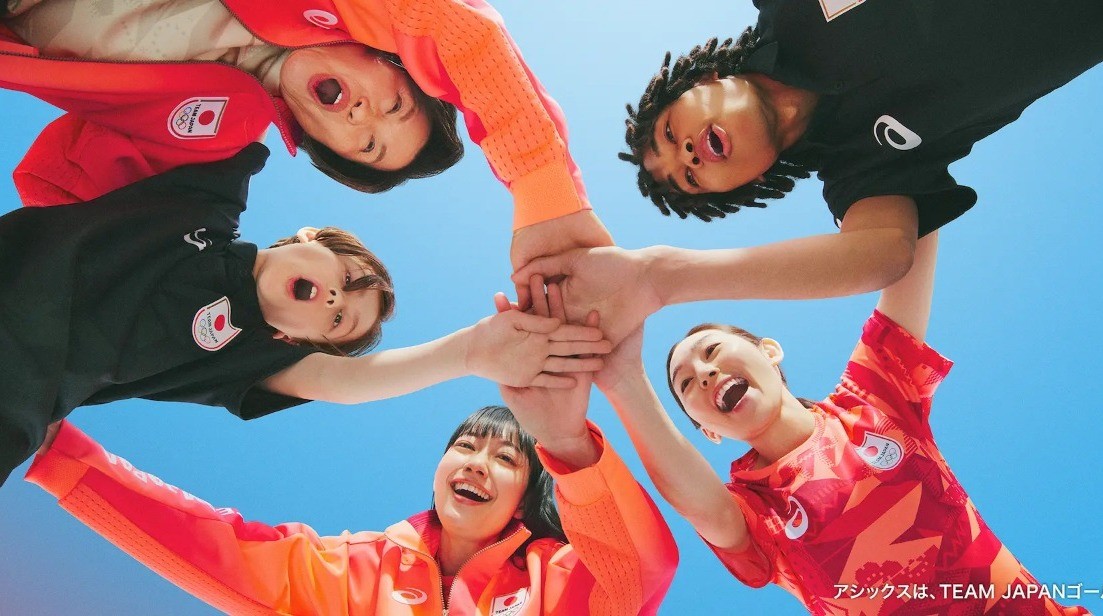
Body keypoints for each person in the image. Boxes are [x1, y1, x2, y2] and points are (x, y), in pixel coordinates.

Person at [25, 288, 677, 614]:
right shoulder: (355, 570)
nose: (477, 462)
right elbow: (219, 547)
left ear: (529, 494)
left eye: (506, 458)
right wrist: (61, 456)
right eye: (466, 446)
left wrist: (566, 441)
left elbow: (640, 571)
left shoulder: (557, 575)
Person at [0, 144, 612, 487]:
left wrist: (473, 351)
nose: (335, 299)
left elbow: (350, 381)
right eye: (347, 279)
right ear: (311, 236)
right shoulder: (207, 198)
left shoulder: (244, 356)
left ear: (291, 339)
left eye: (338, 322)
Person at [592, 233, 1087, 614]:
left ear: (770, 351)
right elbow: (705, 510)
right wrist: (622, 376)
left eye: (713, 350)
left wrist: (909, 155)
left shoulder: (874, 398)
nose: (704, 373)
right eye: (686, 384)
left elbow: (911, 240)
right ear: (709, 432)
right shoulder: (755, 511)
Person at [0, 0, 612, 275]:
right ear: (385, 57)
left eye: (367, 146)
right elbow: (458, 32)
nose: (365, 117)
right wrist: (545, 192)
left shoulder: (215, 139)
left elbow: (69, 182)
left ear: (327, 150)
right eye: (395, 105)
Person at [604, 0, 1103, 303]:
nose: (688, 155)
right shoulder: (862, 170)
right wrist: (664, 277)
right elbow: (884, 255)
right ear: (746, 184)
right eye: (689, 178)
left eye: (670, 132)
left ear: (701, 81)